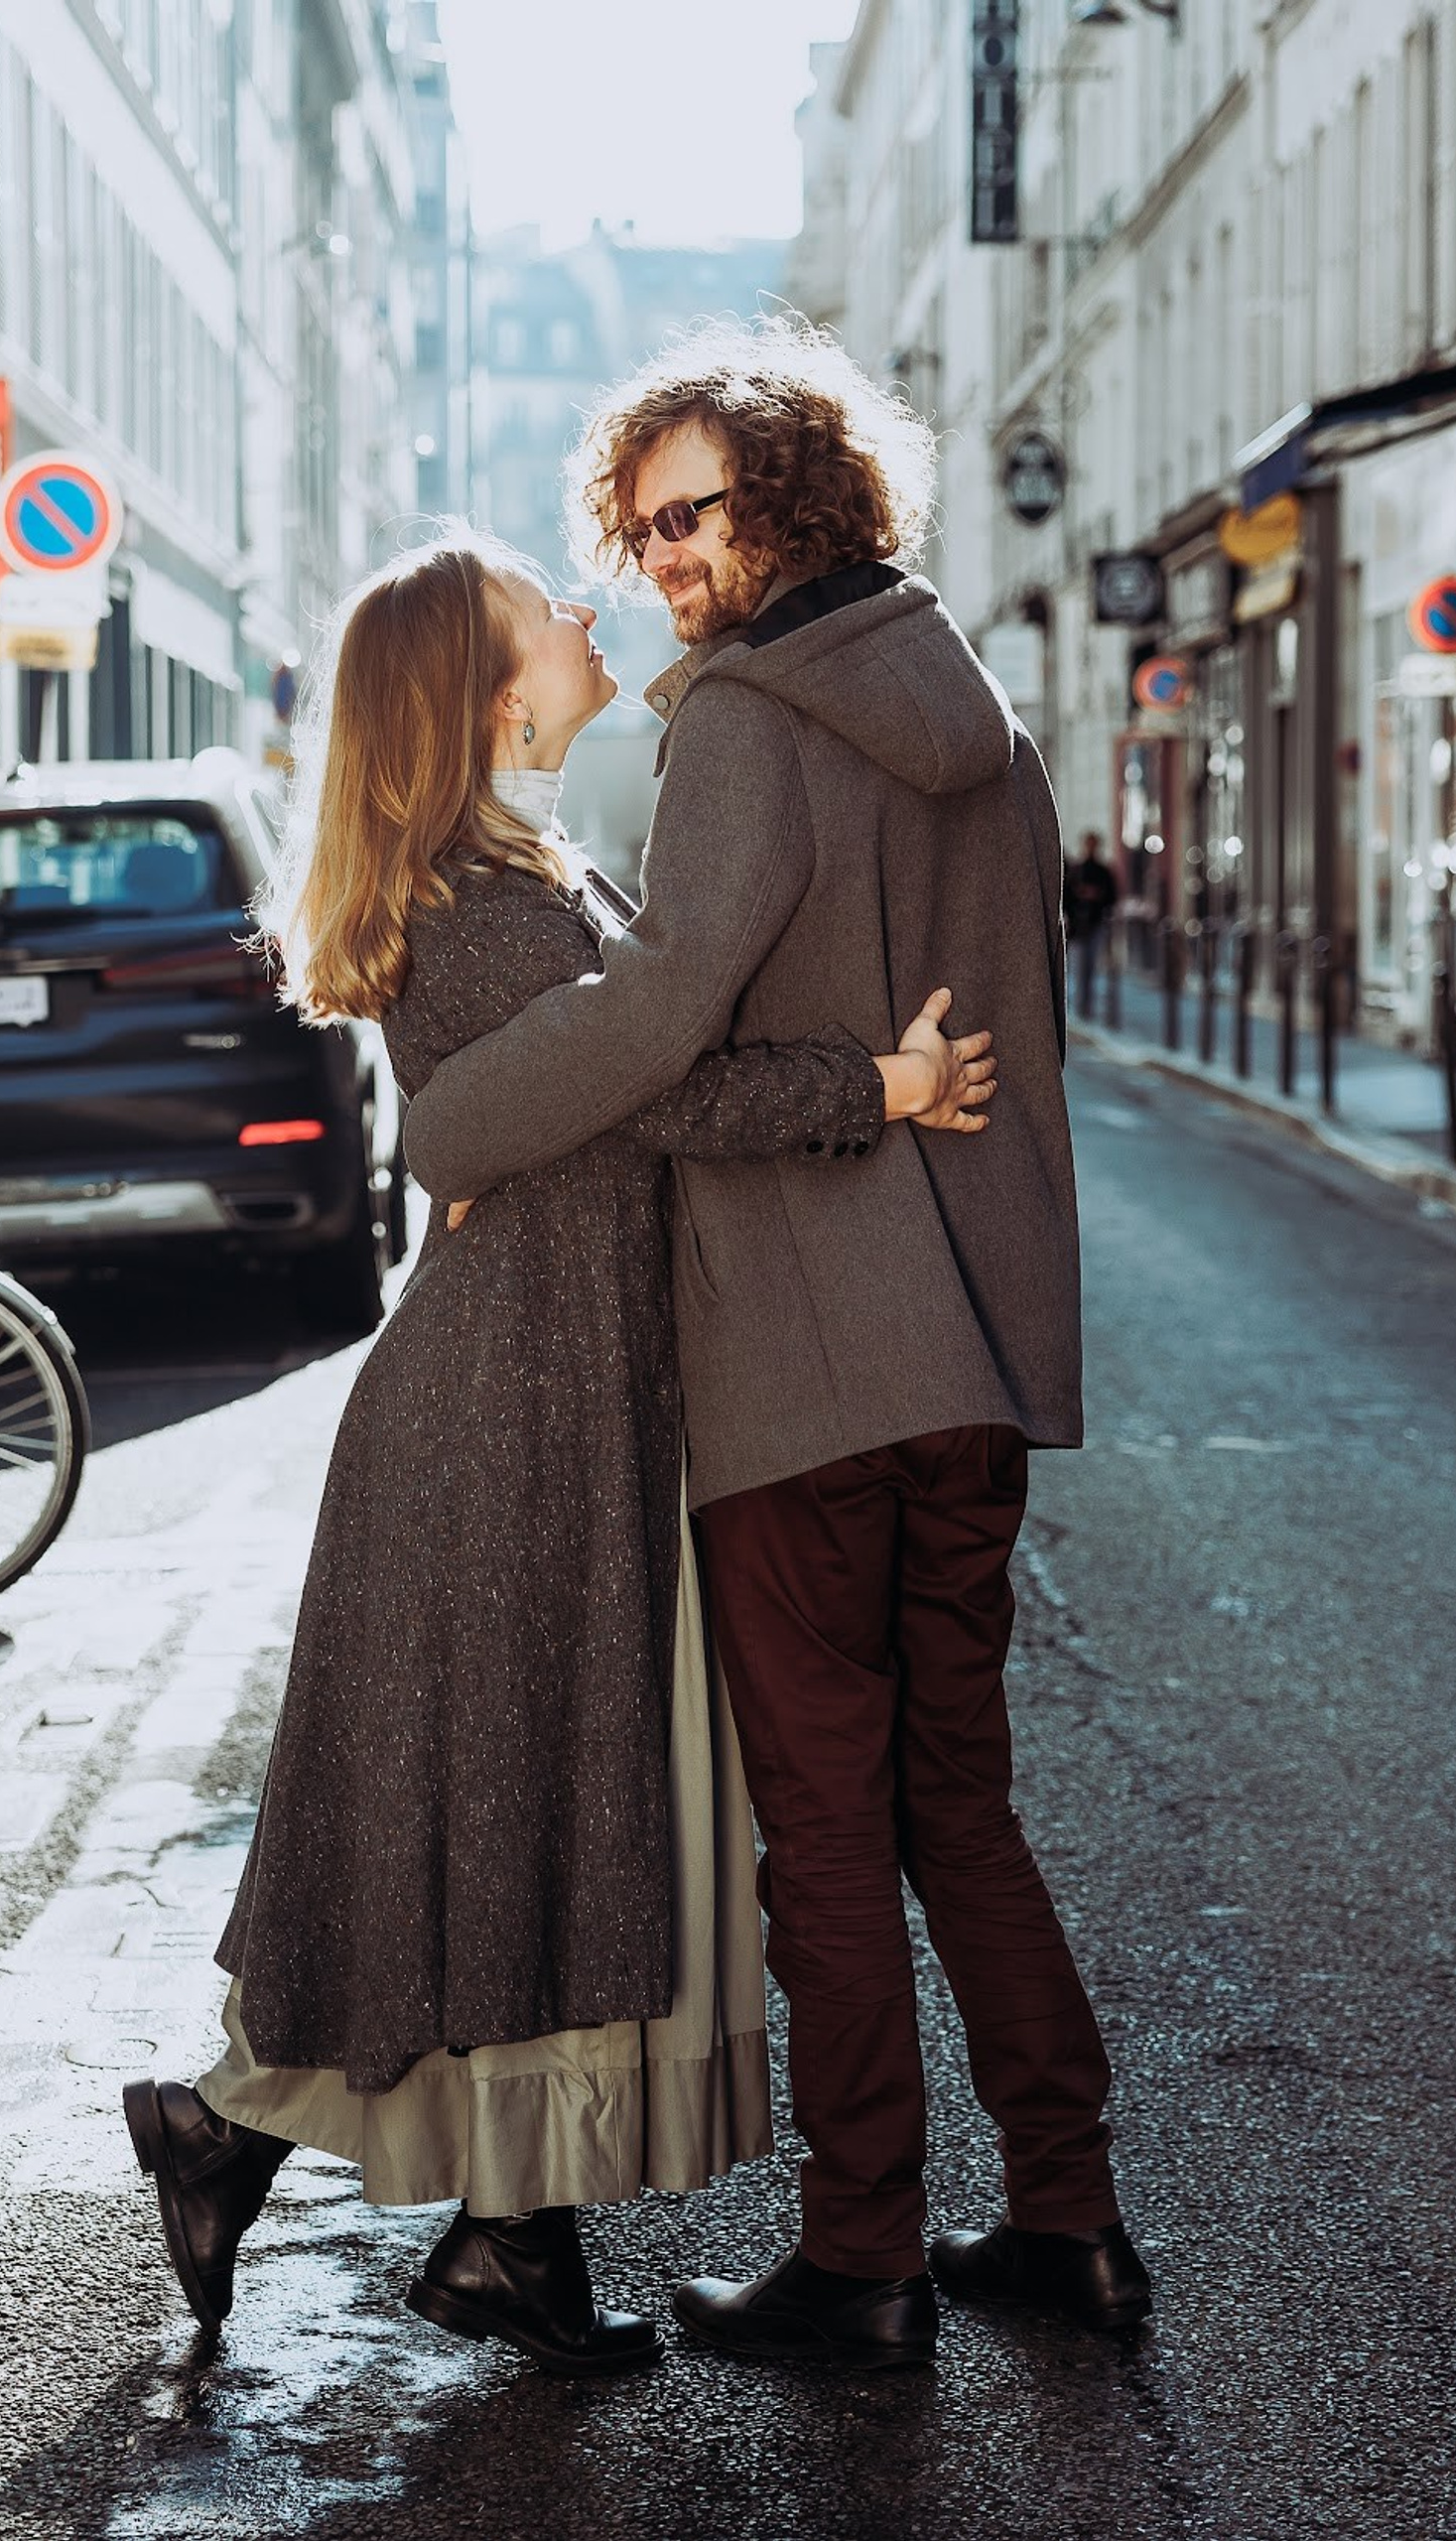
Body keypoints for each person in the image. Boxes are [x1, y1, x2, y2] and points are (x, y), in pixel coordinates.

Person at [122, 529, 996, 2376]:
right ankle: (240, 2135)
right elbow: (660, 1086)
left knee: (532, 1786)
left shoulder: (516, 864)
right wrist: (885, 1091)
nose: (588, 615)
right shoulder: (489, 897)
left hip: (547, 1378)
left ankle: (507, 2240)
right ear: (488, 685)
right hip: (507, 1403)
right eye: (549, 611)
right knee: (508, 1784)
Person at [400, 316, 1149, 2372]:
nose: (663, 569)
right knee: (959, 1805)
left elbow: (657, 1022)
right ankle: (1069, 2219)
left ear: (791, 494)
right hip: (970, 1357)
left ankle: (863, 2254)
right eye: (637, 537)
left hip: (805, 1363)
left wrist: (453, 1117)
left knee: (823, 1823)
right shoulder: (972, 723)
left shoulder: (745, 723)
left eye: (690, 520)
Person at [1063, 831, 1120, 1014]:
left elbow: (1112, 898)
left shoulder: (1103, 872)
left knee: (1090, 967)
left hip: (1095, 924)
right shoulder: (1076, 870)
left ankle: (1086, 1006)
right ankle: (1079, 1005)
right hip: (1078, 927)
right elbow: (1066, 898)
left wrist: (1096, 896)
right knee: (1079, 967)